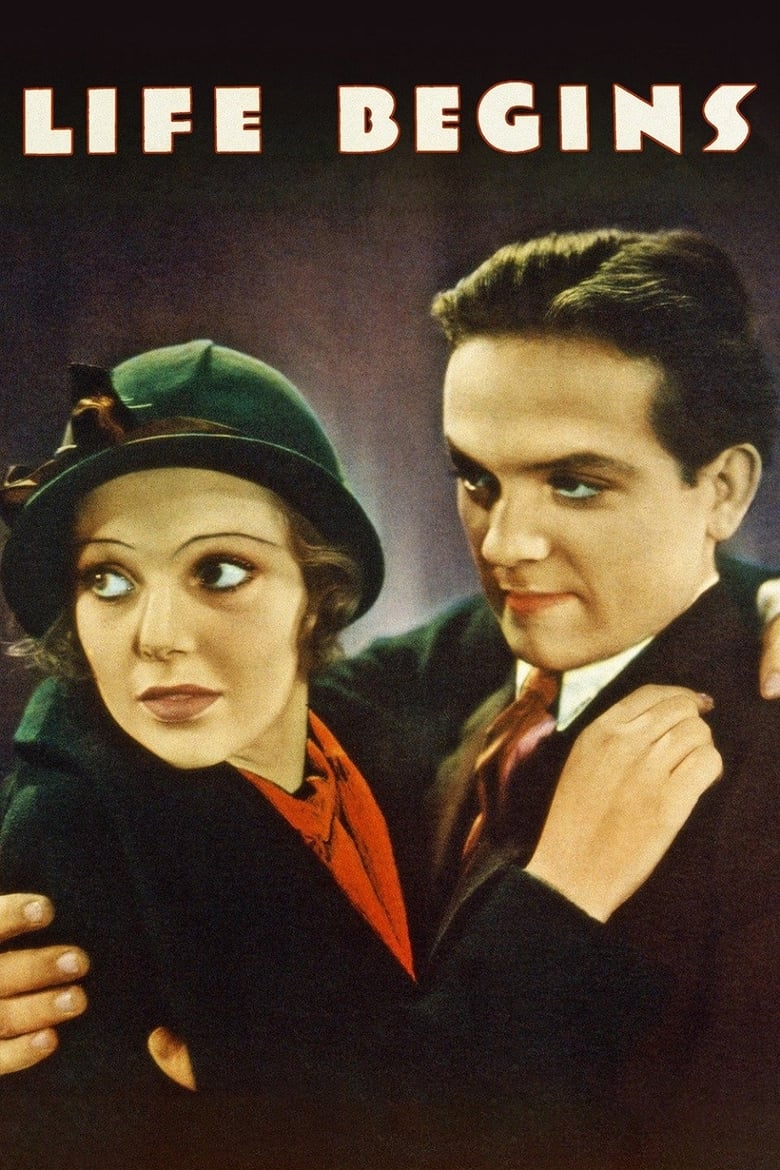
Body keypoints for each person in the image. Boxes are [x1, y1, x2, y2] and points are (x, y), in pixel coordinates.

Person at [0, 337, 727, 1170]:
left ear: (320, 594)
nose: (157, 638)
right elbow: (420, 1135)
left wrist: (757, 598)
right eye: (108, 580)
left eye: (221, 572)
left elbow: (506, 629)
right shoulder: (72, 838)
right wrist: (564, 891)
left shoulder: (351, 723)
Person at [311, 226, 780, 1169]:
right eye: (476, 479)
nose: (503, 545)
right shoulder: (443, 668)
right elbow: (172, 699)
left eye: (574, 484)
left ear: (723, 490)